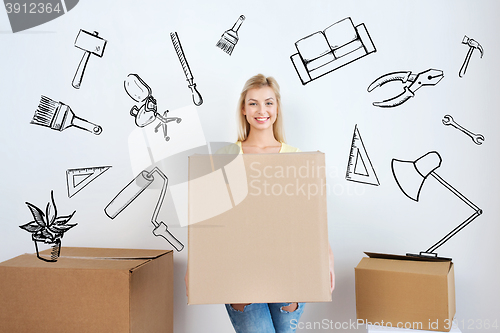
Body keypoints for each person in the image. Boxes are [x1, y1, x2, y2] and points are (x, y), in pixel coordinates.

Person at [186, 74, 335, 333]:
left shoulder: (297, 159)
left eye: (268, 103)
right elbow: (207, 221)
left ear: (277, 108)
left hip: (290, 268)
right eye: (253, 103)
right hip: (239, 270)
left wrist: (328, 261)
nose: (261, 110)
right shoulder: (226, 157)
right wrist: (195, 265)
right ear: (243, 109)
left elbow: (311, 219)